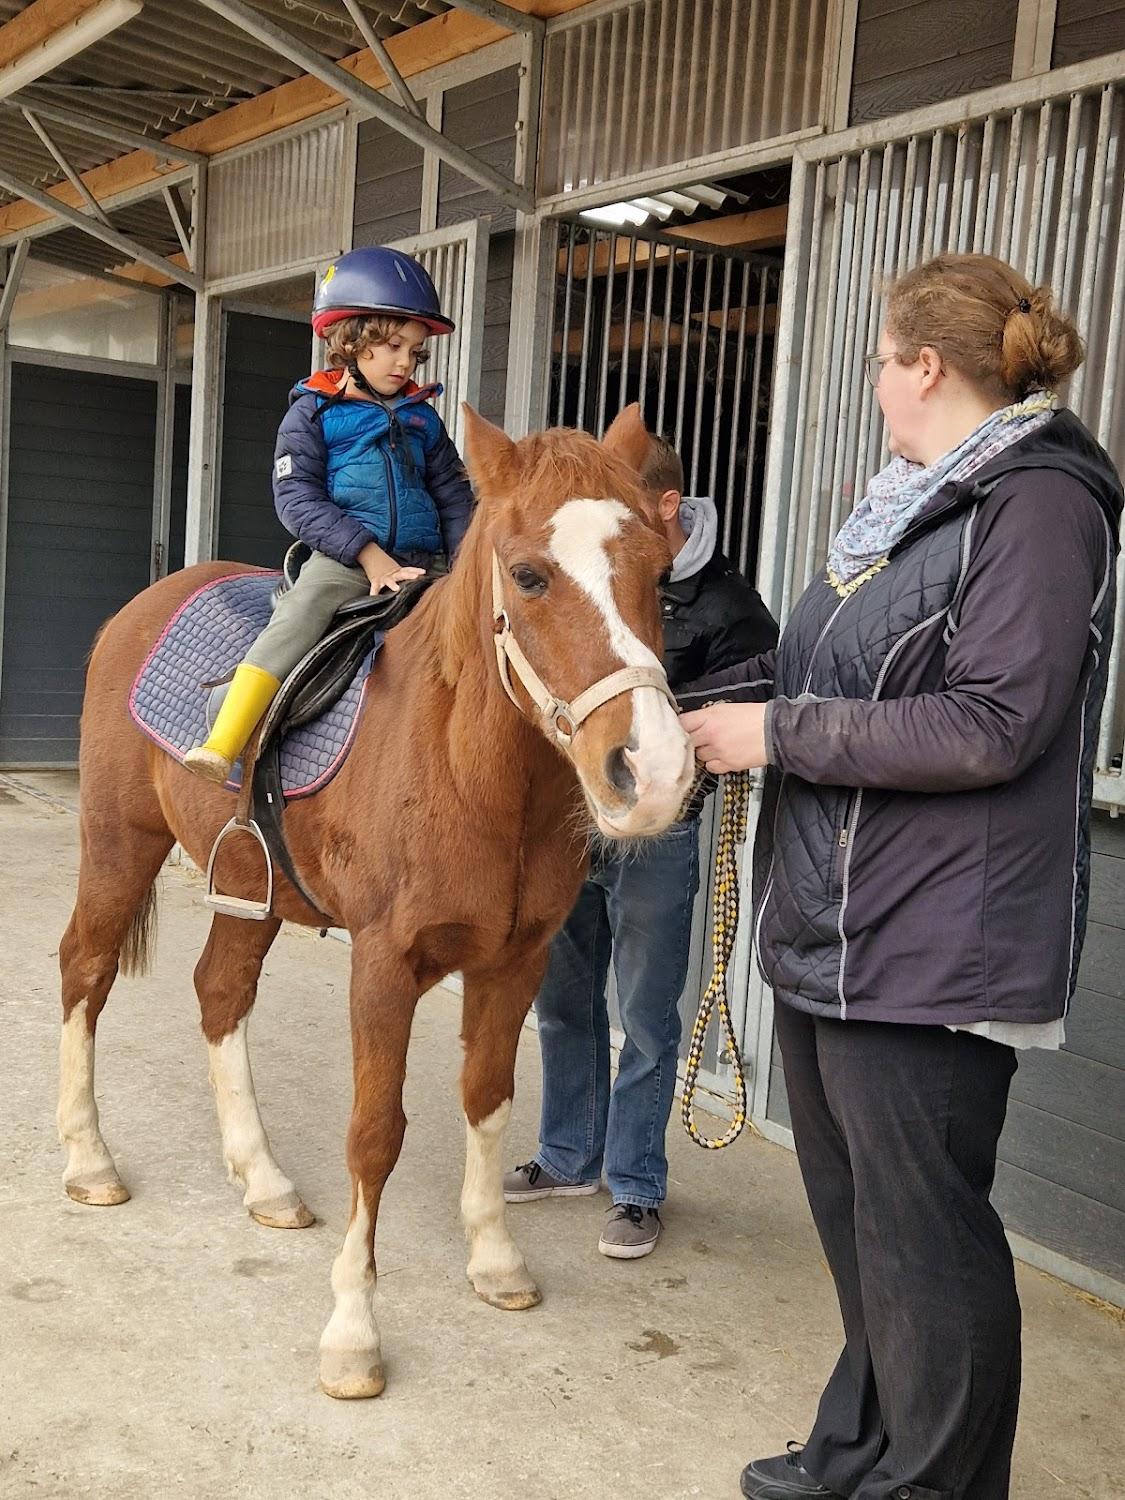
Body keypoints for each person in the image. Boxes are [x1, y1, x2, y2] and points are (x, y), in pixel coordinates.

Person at [678, 254, 1122, 1500]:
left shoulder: (1037, 503)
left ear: (926, 366)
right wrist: (710, 716)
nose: (875, 382)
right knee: (859, 1219)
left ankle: (937, 1484)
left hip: (935, 945)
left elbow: (995, 723)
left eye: (882, 359)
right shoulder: (905, 510)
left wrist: (779, 737)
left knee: (929, 1240)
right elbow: (836, 681)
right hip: (841, 928)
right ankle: (858, 1452)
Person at [503, 436, 778, 1259]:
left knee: (648, 1011)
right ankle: (566, 1154)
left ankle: (635, 1185)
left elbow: (766, 685)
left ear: (662, 509)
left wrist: (656, 720)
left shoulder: (731, 603)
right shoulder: (600, 564)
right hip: (571, 816)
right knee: (563, 994)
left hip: (663, 821)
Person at [184, 246, 474, 783]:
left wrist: (463, 566)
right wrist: (370, 557)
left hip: (428, 560)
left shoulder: (424, 420)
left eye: (415, 351)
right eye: (392, 347)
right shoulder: (311, 414)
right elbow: (296, 499)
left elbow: (455, 497)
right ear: (351, 341)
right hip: (346, 560)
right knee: (301, 614)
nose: (405, 363)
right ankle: (226, 738)